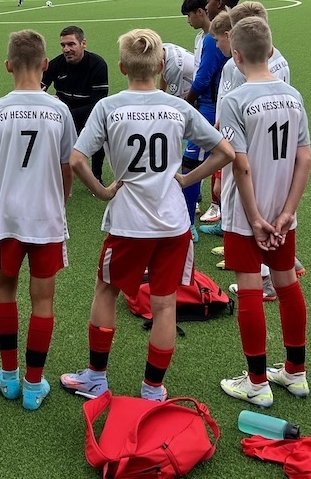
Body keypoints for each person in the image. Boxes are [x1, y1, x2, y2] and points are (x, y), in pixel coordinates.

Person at [60, 29, 234, 401]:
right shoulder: (178, 107)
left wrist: (103, 191)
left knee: (106, 291)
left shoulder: (109, 107)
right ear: (160, 67)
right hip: (173, 223)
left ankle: (96, 377)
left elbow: (76, 159)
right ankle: (152, 389)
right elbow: (225, 152)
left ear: (122, 67)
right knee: (165, 303)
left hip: (129, 222)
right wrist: (186, 179)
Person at [215, 17, 311, 408]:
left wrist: (254, 217)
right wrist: (288, 212)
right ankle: (296, 372)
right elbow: (305, 159)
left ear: (236, 56)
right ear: (270, 51)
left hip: (247, 212)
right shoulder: (293, 95)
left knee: (251, 289)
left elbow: (240, 164)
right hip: (283, 209)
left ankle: (256, 382)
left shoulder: (235, 100)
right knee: (287, 284)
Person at [0, 30, 77, 410]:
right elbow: (67, 166)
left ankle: (8, 377)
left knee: (5, 290)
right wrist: (60, 203)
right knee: (44, 299)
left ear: (8, 66)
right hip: (47, 218)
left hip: (9, 217)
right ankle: (34, 385)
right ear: (45, 65)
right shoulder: (59, 110)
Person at [190, 0, 242, 227]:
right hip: (224, 110)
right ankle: (223, 217)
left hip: (211, 107)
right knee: (228, 160)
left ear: (219, 3)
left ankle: (188, 220)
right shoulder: (240, 34)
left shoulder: (215, 38)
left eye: (209, 0)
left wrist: (188, 101)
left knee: (193, 161)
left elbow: (204, 78)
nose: (206, 4)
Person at [41, 26, 109, 184]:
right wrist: (46, 100)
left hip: (89, 115)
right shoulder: (56, 64)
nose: (66, 49)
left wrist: (64, 112)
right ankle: (54, 174)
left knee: (101, 127)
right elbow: (36, 90)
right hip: (63, 116)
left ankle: (96, 176)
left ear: (83, 43)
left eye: (71, 44)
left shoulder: (97, 64)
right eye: (63, 45)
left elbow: (97, 105)